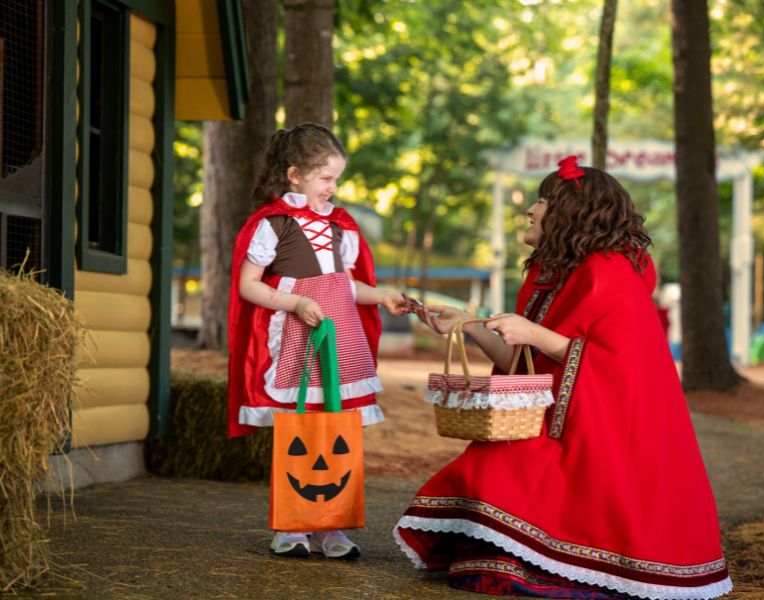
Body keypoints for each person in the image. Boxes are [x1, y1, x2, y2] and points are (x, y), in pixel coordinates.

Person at [395, 157, 732, 599]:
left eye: (542, 200)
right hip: (552, 417)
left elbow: (622, 368)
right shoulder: (545, 273)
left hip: (600, 434)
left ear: (569, 211)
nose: (531, 210)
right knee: (486, 470)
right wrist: (471, 324)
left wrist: (536, 333)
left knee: (495, 472)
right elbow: (523, 366)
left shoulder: (609, 271)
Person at [227, 122, 407, 560]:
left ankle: (333, 528)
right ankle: (292, 525)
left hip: (340, 338)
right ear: (295, 176)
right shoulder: (274, 225)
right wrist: (293, 303)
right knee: (300, 428)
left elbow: (346, 288)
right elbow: (249, 284)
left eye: (336, 179)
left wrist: (379, 295)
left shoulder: (342, 227)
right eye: (325, 178)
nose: (333, 187)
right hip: (297, 337)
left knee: (340, 427)